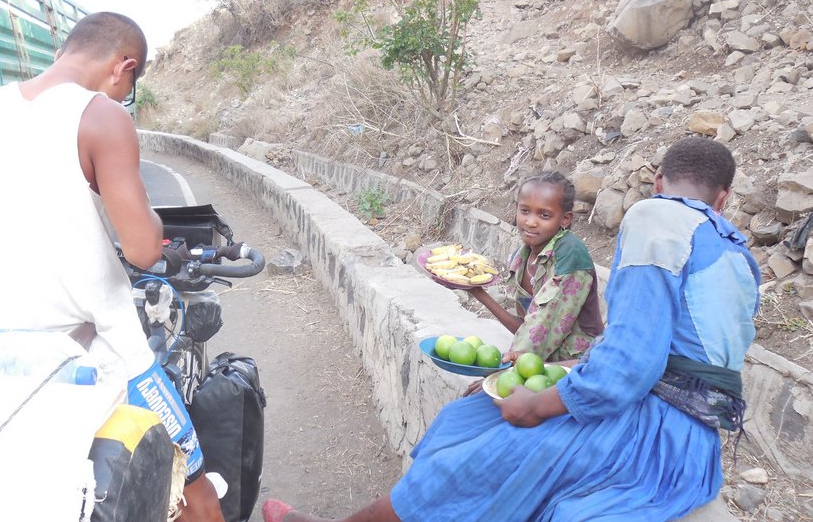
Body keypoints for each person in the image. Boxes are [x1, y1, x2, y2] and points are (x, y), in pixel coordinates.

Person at [261, 137, 760, 522]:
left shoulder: (657, 217)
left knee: (477, 458)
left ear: (657, 182)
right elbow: (668, 352)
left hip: (652, 433)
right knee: (470, 418)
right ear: (723, 198)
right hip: (695, 447)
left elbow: (631, 366)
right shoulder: (736, 248)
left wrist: (541, 402)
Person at [0, 11, 225, 522]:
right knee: (195, 497)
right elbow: (142, 248)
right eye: (129, 86)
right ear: (124, 67)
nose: (123, 97)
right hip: (105, 353)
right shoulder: (101, 116)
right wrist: (141, 215)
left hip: (16, 363)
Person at [469, 171, 603, 362]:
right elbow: (527, 328)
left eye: (544, 215)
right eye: (525, 211)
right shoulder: (523, 257)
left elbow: (542, 329)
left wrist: (506, 367)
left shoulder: (570, 253)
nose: (531, 222)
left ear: (565, 219)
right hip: (541, 364)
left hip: (578, 368)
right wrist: (478, 293)